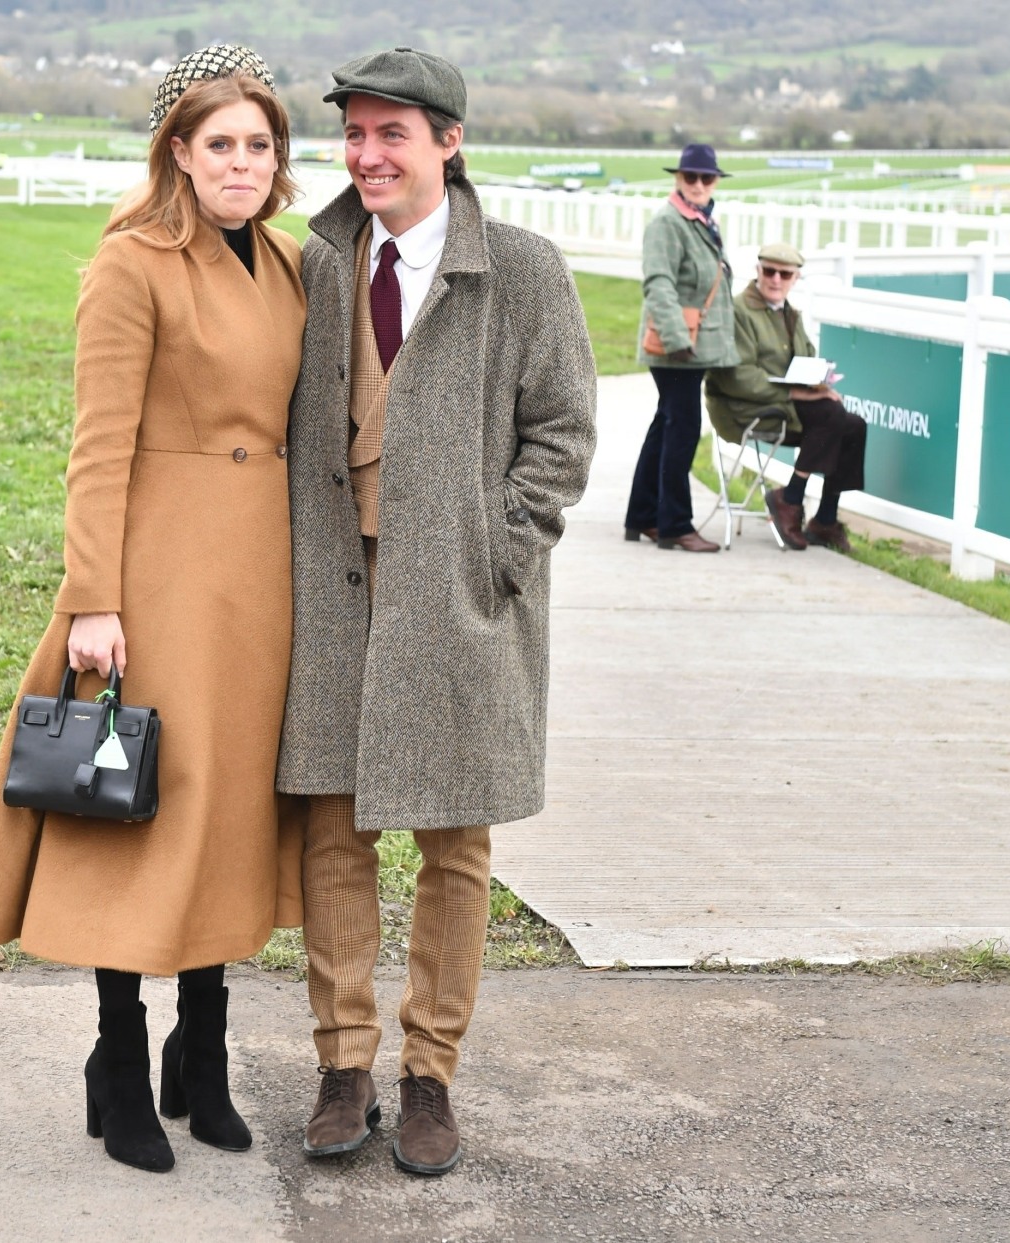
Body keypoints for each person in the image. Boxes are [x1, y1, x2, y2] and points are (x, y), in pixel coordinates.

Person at [0, 44, 307, 1174]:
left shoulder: (290, 262)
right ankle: (119, 1052)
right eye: (220, 144)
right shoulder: (132, 262)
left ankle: (203, 1052)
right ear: (179, 154)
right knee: (140, 806)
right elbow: (97, 448)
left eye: (259, 144)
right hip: (157, 581)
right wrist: (92, 600)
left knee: (228, 812)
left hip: (262, 582)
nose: (241, 162)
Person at [276, 47, 596, 1176]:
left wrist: (495, 554)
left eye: (391, 134)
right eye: (354, 134)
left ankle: (430, 1076)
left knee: (457, 841)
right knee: (333, 830)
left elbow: (563, 434)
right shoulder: (318, 263)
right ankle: (342, 1067)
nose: (366, 156)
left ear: (449, 143)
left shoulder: (523, 268)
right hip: (334, 586)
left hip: (460, 598)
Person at [705, 242, 867, 553]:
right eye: (769, 271)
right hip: (744, 408)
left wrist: (819, 387)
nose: (776, 279)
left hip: (784, 406)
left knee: (853, 426)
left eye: (785, 274)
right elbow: (738, 377)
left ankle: (825, 519)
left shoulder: (790, 312)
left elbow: (806, 360)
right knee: (831, 414)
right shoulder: (738, 311)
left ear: (795, 278)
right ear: (757, 271)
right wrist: (797, 393)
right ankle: (790, 498)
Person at [625, 142, 740, 553]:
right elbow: (659, 283)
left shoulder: (701, 220)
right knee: (683, 430)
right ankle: (674, 524)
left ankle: (642, 516)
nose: (698, 184)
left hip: (690, 347)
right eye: (690, 176)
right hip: (677, 349)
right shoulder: (668, 223)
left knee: (667, 425)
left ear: (715, 182)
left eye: (706, 178)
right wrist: (676, 340)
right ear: (678, 178)